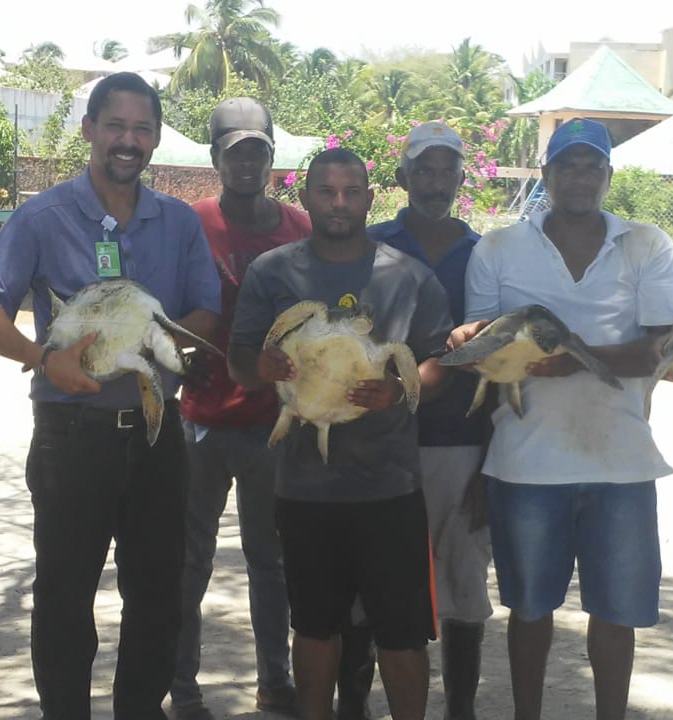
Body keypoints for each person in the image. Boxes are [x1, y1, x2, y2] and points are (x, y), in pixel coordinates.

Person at [0, 72, 221, 719]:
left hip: (160, 435)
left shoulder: (179, 222)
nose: (127, 141)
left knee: (158, 595)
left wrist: (148, 342)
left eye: (141, 129)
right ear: (89, 130)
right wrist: (44, 358)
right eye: (115, 125)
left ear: (155, 138)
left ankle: (139, 710)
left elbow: (206, 314)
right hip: (72, 435)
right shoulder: (43, 216)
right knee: (64, 597)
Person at [448, 117, 673, 720]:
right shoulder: (497, 247)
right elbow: (481, 349)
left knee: (616, 612)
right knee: (529, 611)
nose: (580, 178)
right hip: (524, 463)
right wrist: (472, 342)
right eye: (567, 166)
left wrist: (573, 357)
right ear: (546, 174)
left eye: (592, 167)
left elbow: (662, 347)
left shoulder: (646, 243)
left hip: (622, 461)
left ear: (607, 175)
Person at [228, 148, 451, 720]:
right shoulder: (273, 272)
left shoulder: (408, 276)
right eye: (326, 192)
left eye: (352, 192)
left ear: (371, 199)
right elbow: (239, 360)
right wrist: (264, 367)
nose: (339, 203)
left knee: (402, 635)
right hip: (305, 488)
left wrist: (399, 391)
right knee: (314, 626)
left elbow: (440, 363)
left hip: (390, 487)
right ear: (305, 199)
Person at [170, 97, 309, 720]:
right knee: (189, 559)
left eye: (258, 150)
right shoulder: (189, 223)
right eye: (235, 152)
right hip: (201, 420)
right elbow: (164, 307)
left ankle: (274, 680)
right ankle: (183, 684)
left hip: (274, 425)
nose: (247, 163)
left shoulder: (299, 226)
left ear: (272, 156)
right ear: (215, 159)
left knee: (271, 561)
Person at [348, 120, 491, 720]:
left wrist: (491, 458)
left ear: (463, 177)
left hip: (460, 444)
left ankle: (459, 711)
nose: (436, 182)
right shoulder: (369, 245)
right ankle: (349, 707)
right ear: (402, 176)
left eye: (447, 170)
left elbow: (495, 364)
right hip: (380, 447)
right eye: (423, 170)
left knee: (463, 592)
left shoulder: (485, 253)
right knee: (364, 593)